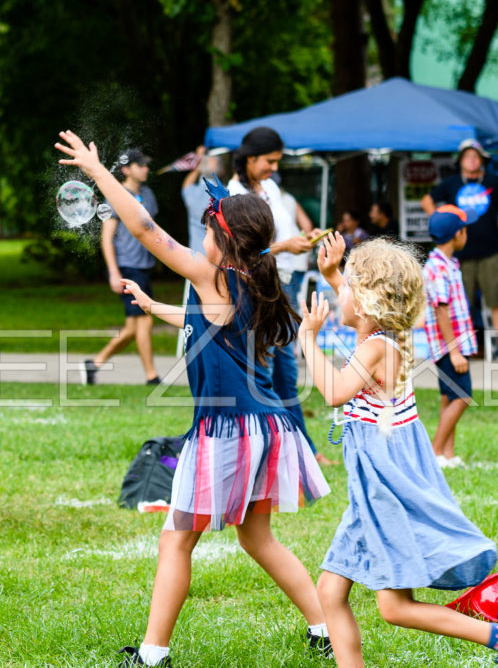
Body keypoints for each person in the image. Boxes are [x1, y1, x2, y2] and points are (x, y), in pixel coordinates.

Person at [55, 130, 332, 667]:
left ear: (223, 240)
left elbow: (143, 227)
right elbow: (207, 325)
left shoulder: (214, 273)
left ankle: (152, 656)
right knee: (258, 539)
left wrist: (96, 170)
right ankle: (323, 628)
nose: (201, 235)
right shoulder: (252, 276)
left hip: (227, 432)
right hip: (267, 429)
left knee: (175, 541)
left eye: (208, 228)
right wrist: (152, 303)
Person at [297, 232, 498, 668]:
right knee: (329, 592)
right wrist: (333, 273)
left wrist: (308, 338)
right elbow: (353, 304)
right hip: (372, 492)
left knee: (394, 608)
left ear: (365, 303)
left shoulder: (378, 347)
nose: (337, 295)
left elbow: (336, 393)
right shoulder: (385, 336)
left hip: (383, 493)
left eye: (348, 289)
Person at [227, 127, 327, 463]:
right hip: (262, 287)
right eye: (269, 161)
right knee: (274, 369)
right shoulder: (234, 193)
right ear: (251, 158)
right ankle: (288, 449)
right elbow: (241, 250)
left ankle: (296, 449)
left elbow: (279, 233)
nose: (274, 168)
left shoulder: (269, 186)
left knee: (284, 369)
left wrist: (303, 237)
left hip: (287, 281)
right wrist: (286, 245)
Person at [421, 139, 498, 360]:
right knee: (462, 302)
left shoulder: (494, 181)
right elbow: (427, 200)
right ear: (460, 161)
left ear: (482, 160)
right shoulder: (452, 184)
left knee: (496, 299)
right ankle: (464, 348)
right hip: (460, 255)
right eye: (467, 156)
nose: (472, 160)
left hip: (490, 251)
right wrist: (440, 220)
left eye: (476, 156)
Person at [81, 148, 161, 386]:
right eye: (141, 165)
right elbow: (106, 237)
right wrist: (114, 272)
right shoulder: (116, 196)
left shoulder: (148, 194)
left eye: (147, 165)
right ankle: (151, 376)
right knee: (144, 322)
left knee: (132, 328)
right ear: (126, 169)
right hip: (127, 267)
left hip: (143, 266)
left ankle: (94, 364)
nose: (146, 168)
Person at [423, 205, 478, 468]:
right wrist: (454, 350)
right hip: (448, 346)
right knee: (462, 396)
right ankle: (434, 453)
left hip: (450, 344)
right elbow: (441, 310)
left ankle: (447, 453)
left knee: (449, 397)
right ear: (458, 234)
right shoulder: (438, 268)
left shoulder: (446, 263)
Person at [181, 145, 223, 255]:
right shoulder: (225, 194)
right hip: (219, 256)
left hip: (196, 255)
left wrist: (198, 162)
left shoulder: (191, 192)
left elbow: (186, 185)